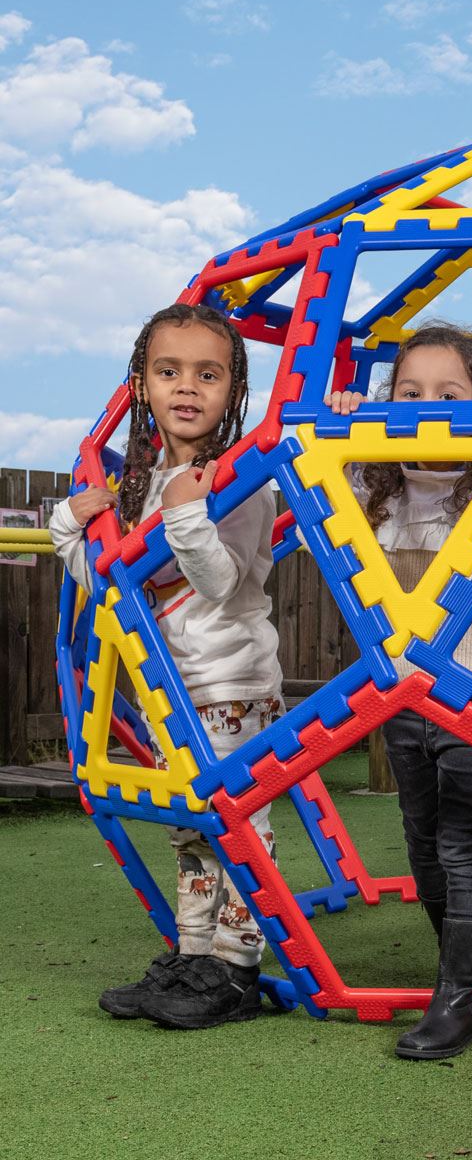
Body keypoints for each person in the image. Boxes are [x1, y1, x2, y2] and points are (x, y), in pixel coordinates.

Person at [326, 321, 472, 1060]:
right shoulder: (377, 492)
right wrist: (340, 433)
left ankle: (460, 997)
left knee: (462, 841)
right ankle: (464, 963)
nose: (428, 408)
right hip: (398, 695)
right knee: (421, 840)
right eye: (409, 393)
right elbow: (315, 527)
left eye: (450, 394)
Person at [50, 302, 284, 1030]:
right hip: (164, 691)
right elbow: (110, 583)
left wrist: (188, 511)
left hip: (230, 688)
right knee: (187, 829)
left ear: (233, 390)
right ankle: (192, 957)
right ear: (143, 384)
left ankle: (237, 968)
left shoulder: (238, 483)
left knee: (235, 828)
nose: (187, 387)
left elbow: (218, 581)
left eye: (207, 374)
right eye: (169, 371)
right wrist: (70, 526)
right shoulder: (143, 483)